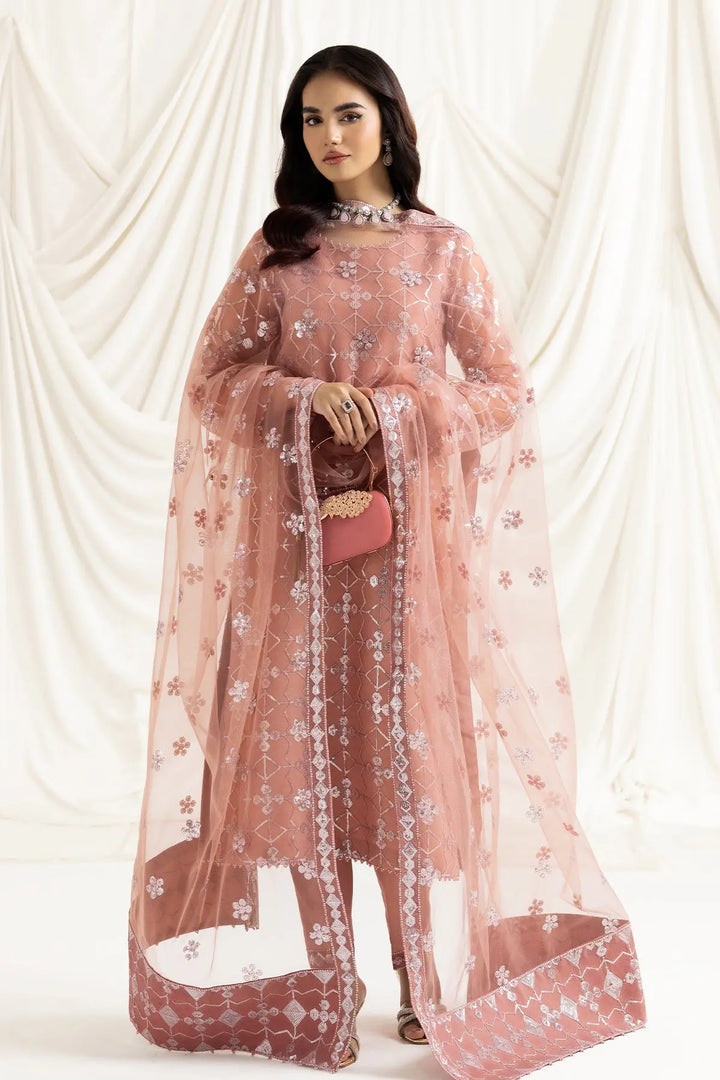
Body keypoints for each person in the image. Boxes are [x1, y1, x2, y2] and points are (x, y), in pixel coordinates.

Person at [127, 45, 647, 1076]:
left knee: (404, 763)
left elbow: (503, 387)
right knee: (306, 763)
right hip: (297, 557)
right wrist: (302, 399)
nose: (329, 137)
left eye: (347, 115)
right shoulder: (280, 250)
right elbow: (212, 380)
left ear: (388, 123)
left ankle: (423, 979)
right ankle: (332, 977)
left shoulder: (442, 252)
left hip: (410, 562)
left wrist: (404, 412)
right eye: (311, 120)